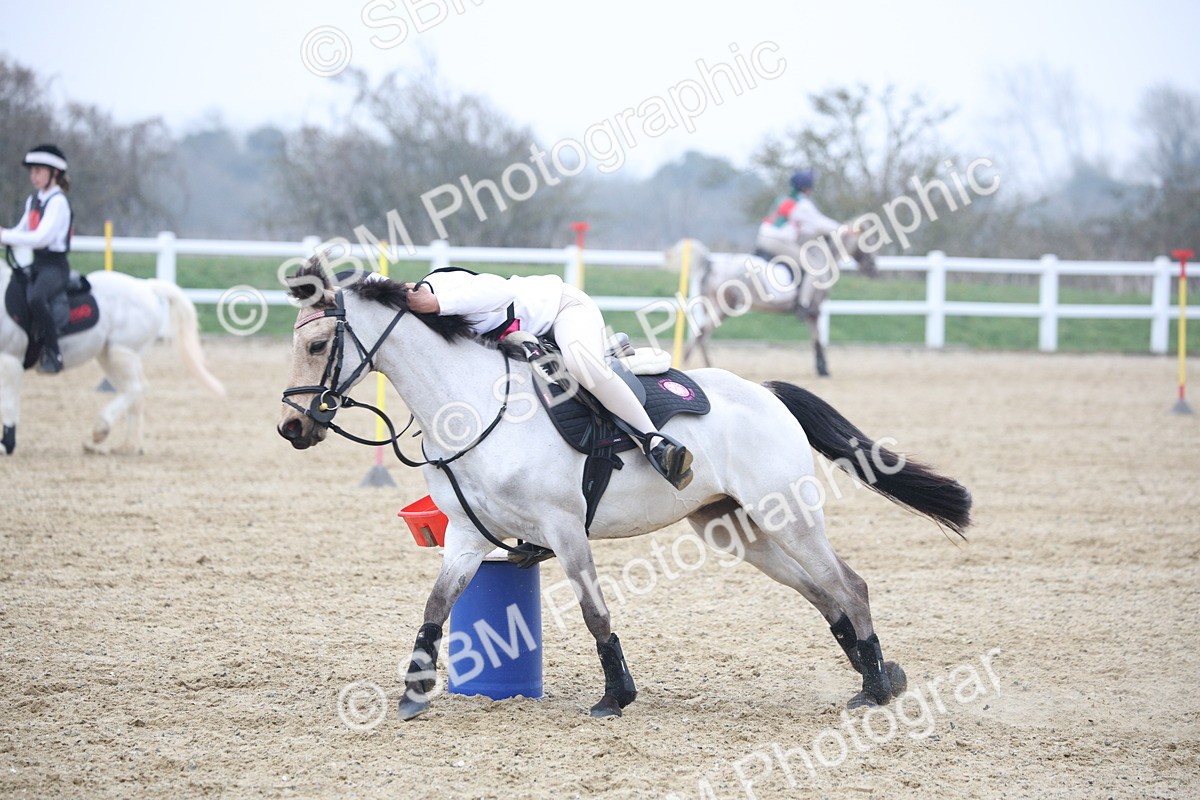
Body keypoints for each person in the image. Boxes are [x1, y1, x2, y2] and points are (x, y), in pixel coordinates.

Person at [405, 270, 694, 490]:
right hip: (532, 337)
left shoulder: (439, 286)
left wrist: (436, 302)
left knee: (582, 367)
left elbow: (499, 290)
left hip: (564, 309)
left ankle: (655, 441)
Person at [0, 144, 74, 374]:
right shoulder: (33, 200)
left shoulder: (58, 202)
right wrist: (5, 235)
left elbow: (41, 237)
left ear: (54, 173)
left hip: (55, 267)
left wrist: (5, 235)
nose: (34, 176)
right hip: (38, 264)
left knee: (36, 298)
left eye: (38, 171)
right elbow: (21, 230)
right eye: (32, 171)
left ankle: (54, 352)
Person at [754, 169, 842, 317]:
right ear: (807, 188)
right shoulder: (802, 204)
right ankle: (804, 304)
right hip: (777, 241)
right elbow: (819, 223)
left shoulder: (784, 199)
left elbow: (803, 227)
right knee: (815, 267)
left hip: (762, 237)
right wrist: (844, 229)